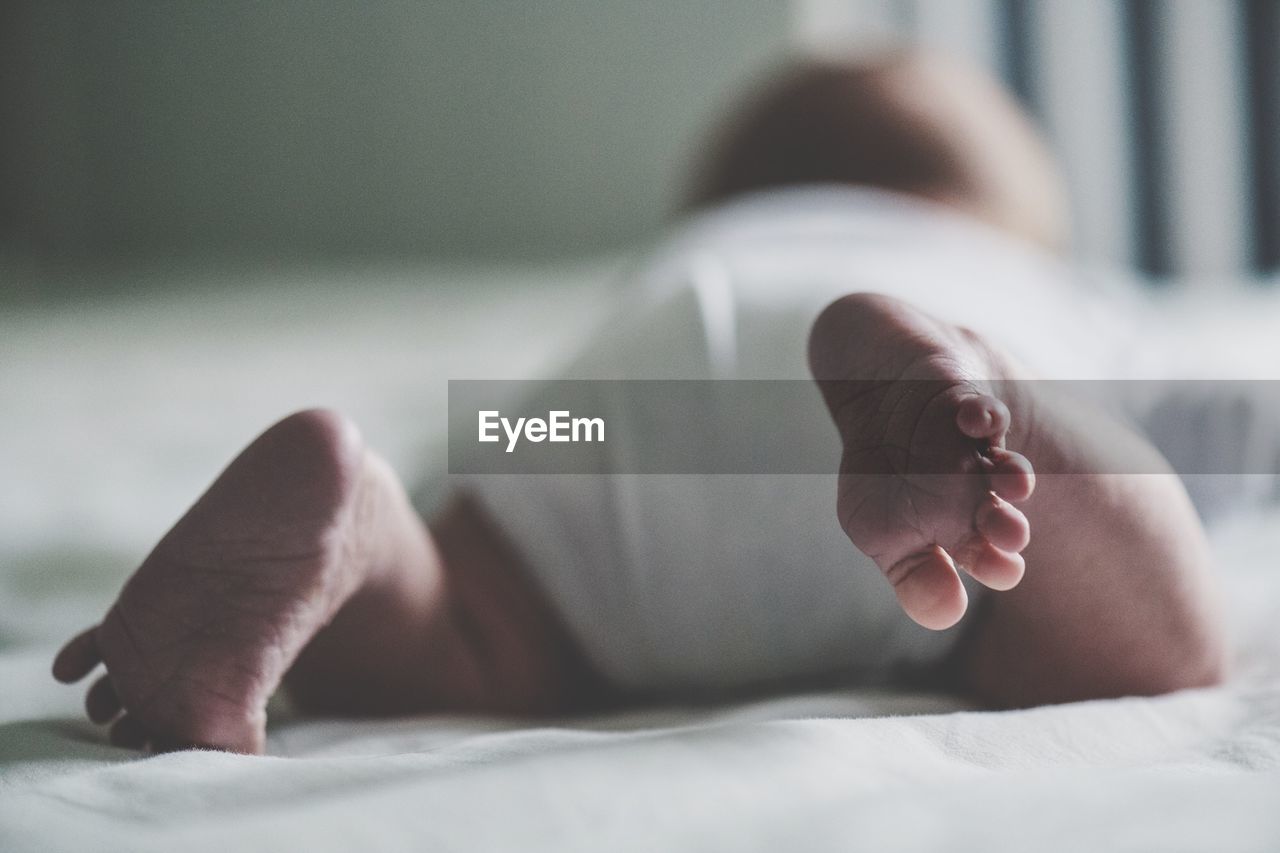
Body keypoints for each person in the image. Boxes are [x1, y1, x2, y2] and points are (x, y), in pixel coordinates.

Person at [52, 51, 1226, 755]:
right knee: (1141, 631)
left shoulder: (687, 264)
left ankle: (363, 512)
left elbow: (515, 422)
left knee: (471, 605)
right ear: (1003, 219)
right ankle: (1001, 401)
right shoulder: (1026, 279)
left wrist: (461, 467)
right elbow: (1224, 415)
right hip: (932, 446)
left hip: (618, 417)